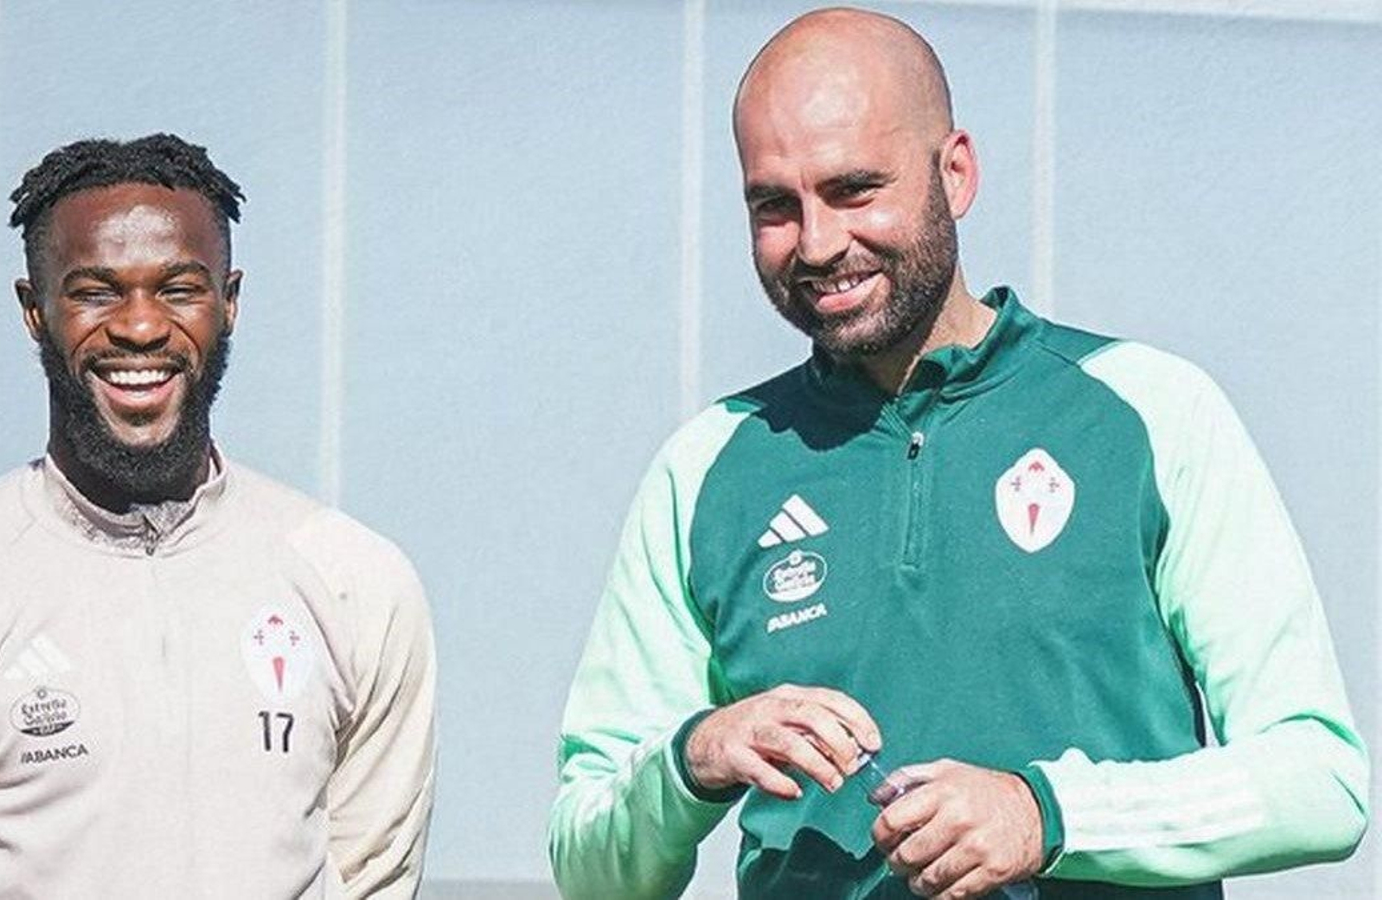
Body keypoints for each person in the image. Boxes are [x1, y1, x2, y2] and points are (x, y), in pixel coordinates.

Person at [549, 9, 1367, 900]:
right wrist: (694, 758)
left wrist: (1046, 814)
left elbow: (1319, 783)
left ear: (956, 173)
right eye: (775, 206)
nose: (818, 244)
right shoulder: (706, 467)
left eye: (855, 189)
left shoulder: (1153, 411)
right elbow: (593, 874)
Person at [0, 134, 436, 899]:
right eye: (96, 291)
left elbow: (375, 877)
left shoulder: (355, 585)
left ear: (228, 301)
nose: (140, 327)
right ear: (34, 310)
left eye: (178, 288)